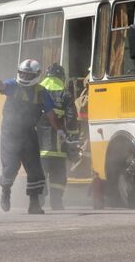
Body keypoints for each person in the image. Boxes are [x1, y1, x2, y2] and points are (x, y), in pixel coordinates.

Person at [0, 59, 63, 214]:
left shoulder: (42, 92)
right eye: (22, 73)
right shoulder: (14, 86)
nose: (24, 77)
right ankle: (6, 190)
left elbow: (51, 115)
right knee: (11, 167)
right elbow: (1, 85)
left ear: (37, 75)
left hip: (29, 133)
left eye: (28, 74)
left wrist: (59, 130)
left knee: (35, 170)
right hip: (10, 133)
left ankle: (34, 204)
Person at [36, 63, 79, 210]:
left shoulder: (37, 91)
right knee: (58, 177)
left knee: (39, 174)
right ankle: (56, 202)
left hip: (39, 145)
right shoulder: (65, 93)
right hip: (59, 146)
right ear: (62, 77)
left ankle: (38, 200)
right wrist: (73, 138)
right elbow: (72, 118)